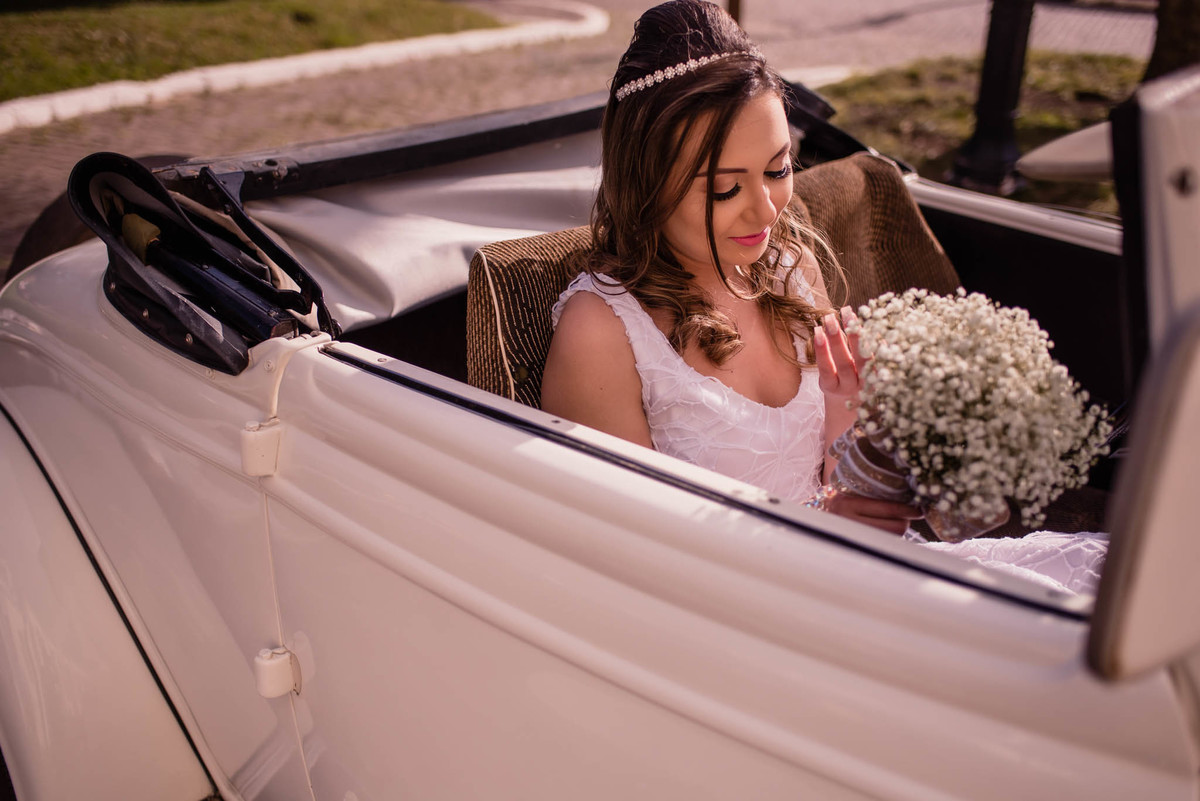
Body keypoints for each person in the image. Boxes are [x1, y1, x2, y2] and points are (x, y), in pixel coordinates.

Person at [540, 0, 1106, 593]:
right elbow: (630, 563)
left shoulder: (788, 267)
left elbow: (837, 482)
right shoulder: (601, 332)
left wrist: (864, 438)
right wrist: (818, 530)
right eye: (728, 187)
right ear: (647, 184)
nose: (766, 211)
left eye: (778, 170)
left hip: (867, 573)